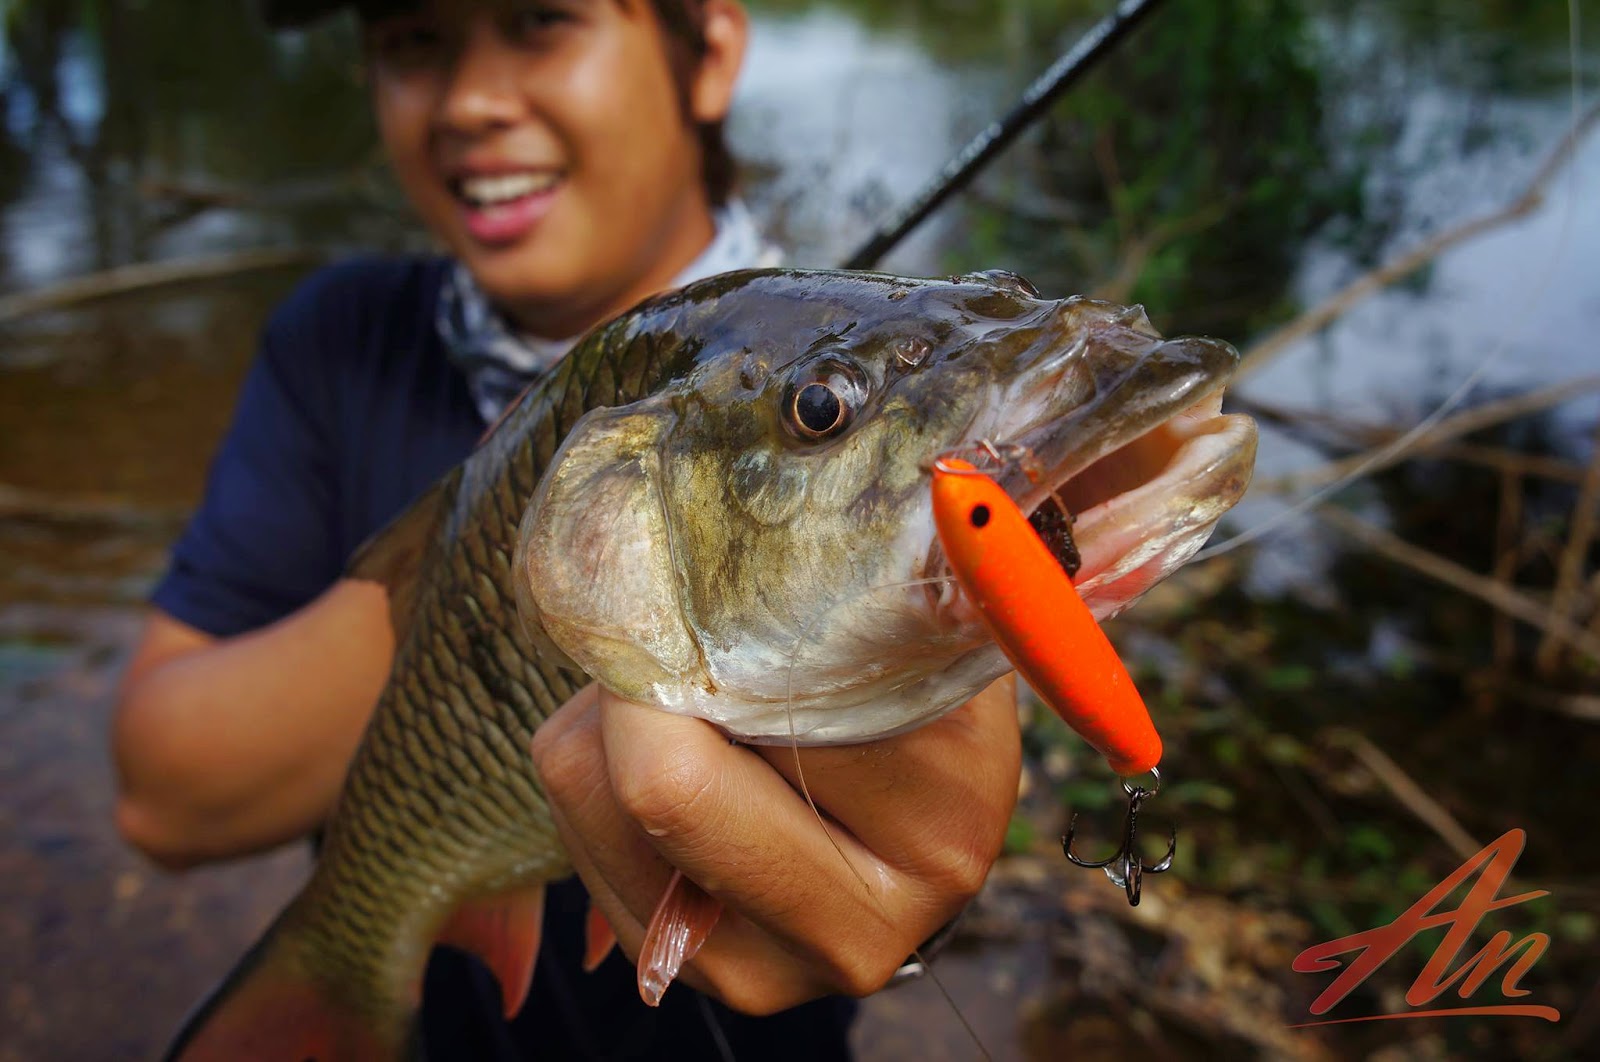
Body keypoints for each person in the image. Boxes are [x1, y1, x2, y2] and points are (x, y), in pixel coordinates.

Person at [111, 1, 1022, 1058]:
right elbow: (159, 799)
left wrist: (918, 893)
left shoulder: (864, 397)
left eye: (542, 19)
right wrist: (522, 536)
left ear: (711, 51)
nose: (470, 102)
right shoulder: (338, 342)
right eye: (414, 40)